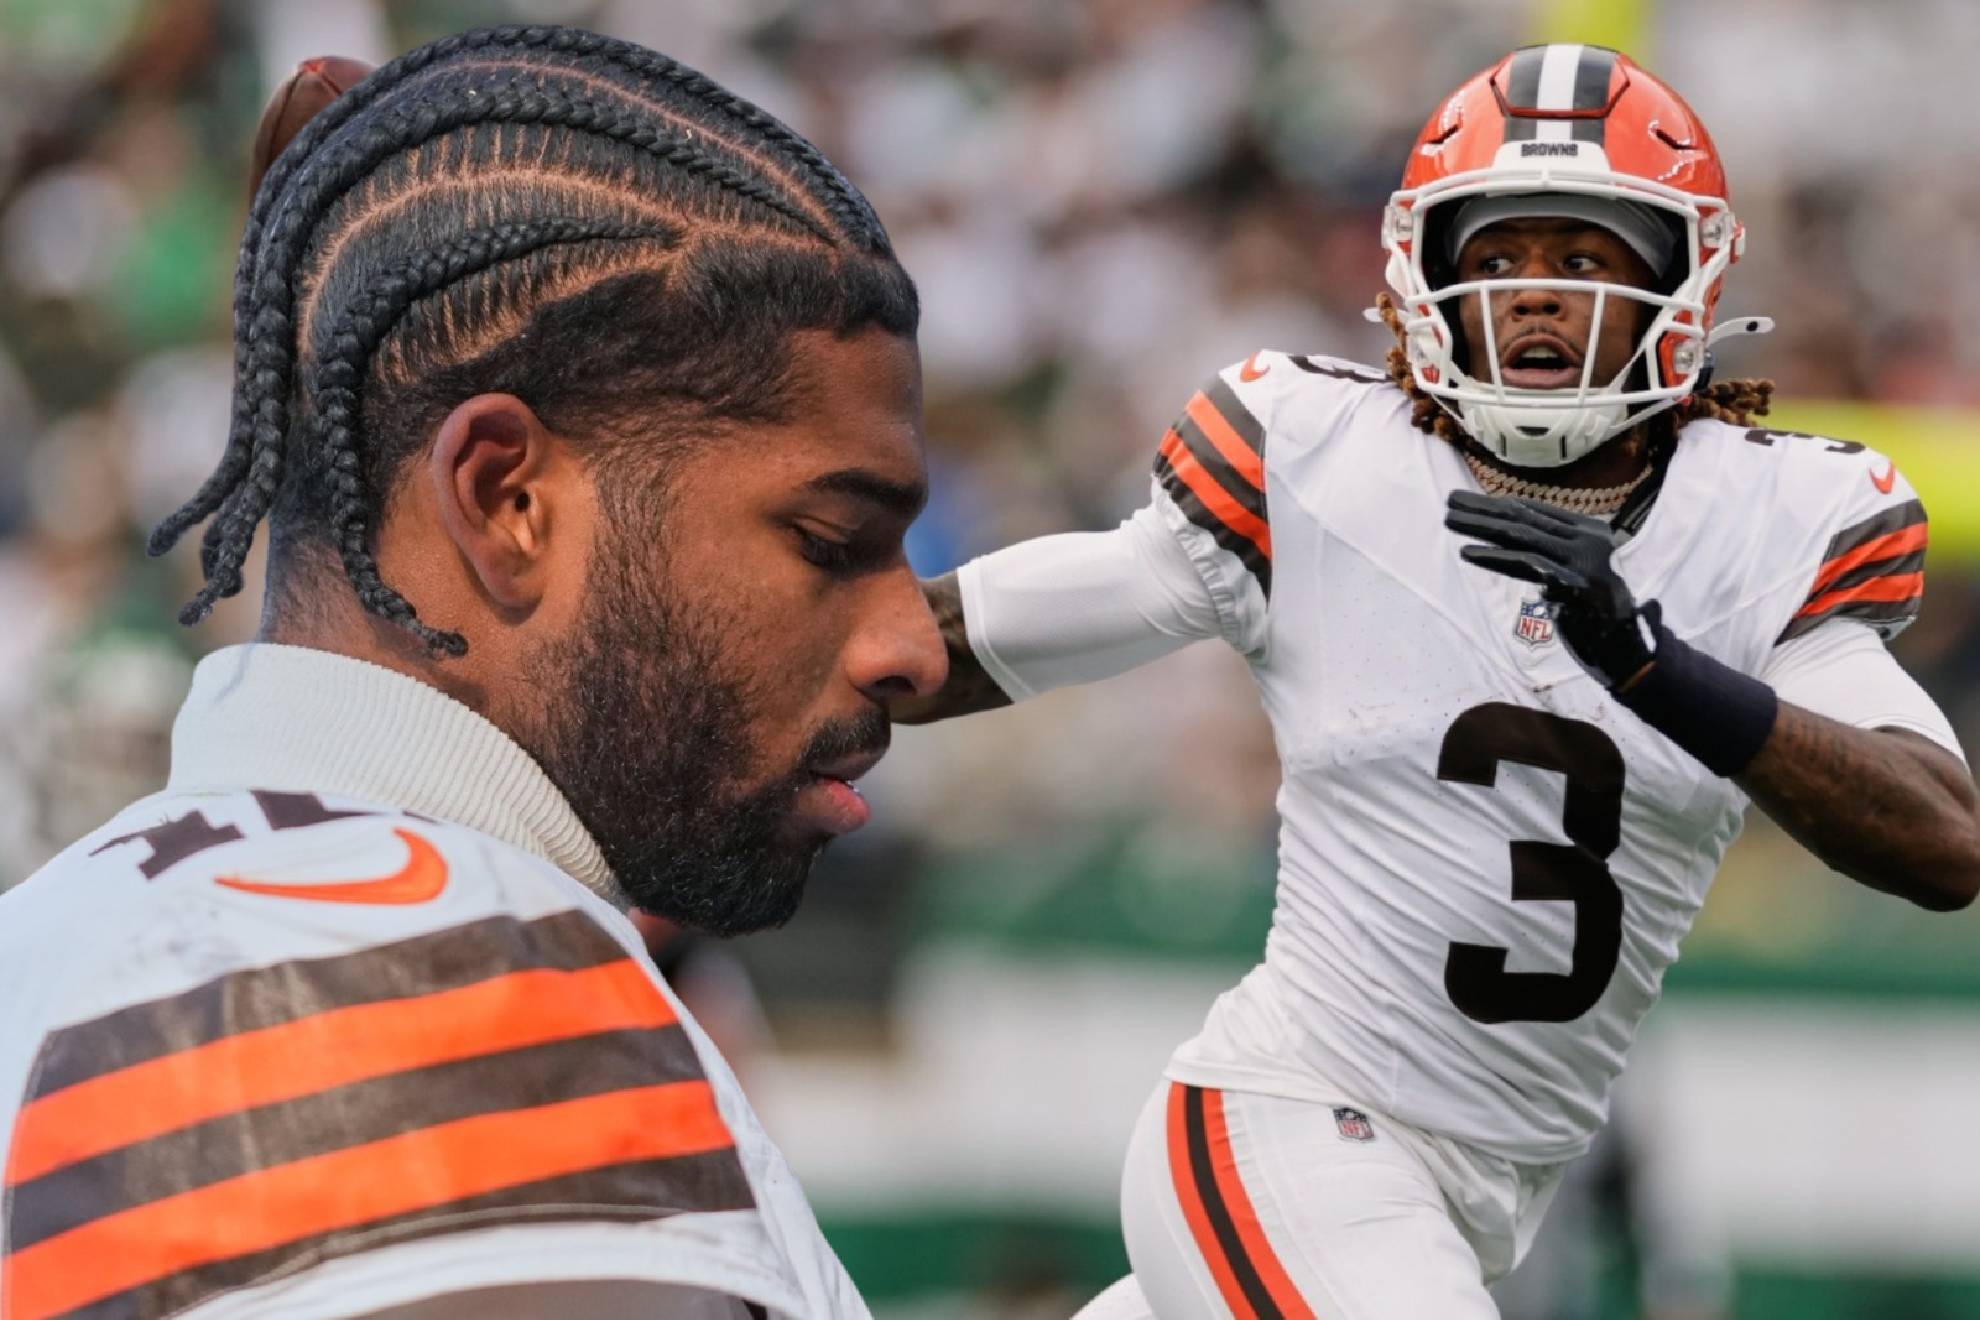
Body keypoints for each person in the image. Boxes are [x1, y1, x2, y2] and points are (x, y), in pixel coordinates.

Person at [897, 43, 1980, 1319]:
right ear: (1424, 272)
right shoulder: (1320, 459)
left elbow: (1941, 838)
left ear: (1687, 281)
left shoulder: (1770, 520)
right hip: (1294, 1122)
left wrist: (1654, 667)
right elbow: (948, 643)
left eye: (1584, 261)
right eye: (1502, 256)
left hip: (1484, 1195)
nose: (1533, 296)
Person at [0, 24, 943, 1319]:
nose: (916, 646)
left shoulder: (67, 934)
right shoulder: (445, 983)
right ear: (507, 501)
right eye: (831, 541)